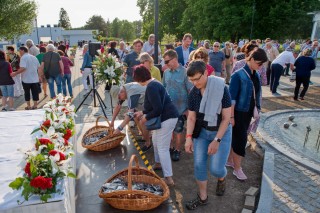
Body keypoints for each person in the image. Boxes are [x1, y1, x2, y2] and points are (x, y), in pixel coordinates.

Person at [184, 60, 232, 210]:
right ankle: (203, 197)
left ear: (206, 73)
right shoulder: (193, 92)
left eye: (197, 78)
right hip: (202, 133)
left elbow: (226, 118)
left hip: (221, 132)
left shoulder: (222, 88)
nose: (195, 83)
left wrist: (217, 140)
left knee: (216, 169)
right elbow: (191, 117)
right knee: (199, 165)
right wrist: (188, 138)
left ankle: (221, 177)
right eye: (191, 80)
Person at [133, 65, 179, 186]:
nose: (137, 83)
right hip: (167, 117)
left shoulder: (151, 87)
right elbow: (154, 105)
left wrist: (145, 118)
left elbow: (157, 109)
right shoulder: (154, 83)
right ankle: (158, 163)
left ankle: (169, 178)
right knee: (156, 141)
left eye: (137, 80)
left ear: (140, 78)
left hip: (167, 118)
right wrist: (142, 112)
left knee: (162, 147)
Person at [228, 48, 268, 180]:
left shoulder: (255, 73)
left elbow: (256, 94)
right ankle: (237, 169)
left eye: (262, 64)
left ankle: (230, 161)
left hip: (248, 112)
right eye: (259, 63)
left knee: (237, 138)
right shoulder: (238, 75)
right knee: (240, 141)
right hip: (239, 113)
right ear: (250, 58)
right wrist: (232, 117)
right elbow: (231, 99)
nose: (260, 66)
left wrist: (257, 109)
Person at [162, 50, 193, 161]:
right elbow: (164, 89)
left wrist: (189, 109)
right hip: (168, 108)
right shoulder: (166, 73)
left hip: (181, 109)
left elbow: (191, 91)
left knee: (178, 130)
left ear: (174, 59)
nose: (165, 64)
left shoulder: (185, 72)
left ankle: (177, 150)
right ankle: (171, 147)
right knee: (168, 130)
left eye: (167, 61)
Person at [111, 82, 152, 152]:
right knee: (136, 116)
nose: (120, 99)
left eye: (119, 97)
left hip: (152, 104)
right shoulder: (123, 89)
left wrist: (119, 129)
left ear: (121, 92)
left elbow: (130, 114)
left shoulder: (132, 93)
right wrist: (112, 121)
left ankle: (148, 143)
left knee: (142, 120)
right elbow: (118, 106)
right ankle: (144, 136)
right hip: (143, 103)